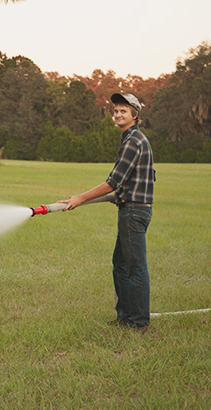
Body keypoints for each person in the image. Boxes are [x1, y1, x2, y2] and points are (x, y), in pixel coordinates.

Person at [59, 93, 156, 331]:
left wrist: (81, 197)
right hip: (132, 209)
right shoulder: (133, 139)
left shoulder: (133, 141)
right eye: (116, 110)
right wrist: (97, 199)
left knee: (134, 268)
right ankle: (125, 317)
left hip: (133, 213)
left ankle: (139, 322)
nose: (118, 114)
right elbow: (128, 186)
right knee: (121, 265)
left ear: (135, 114)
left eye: (124, 110)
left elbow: (114, 181)